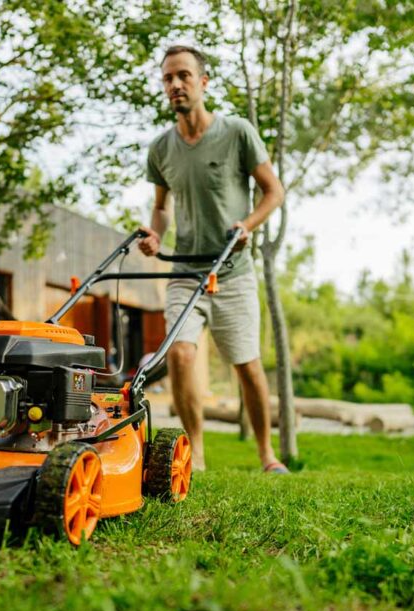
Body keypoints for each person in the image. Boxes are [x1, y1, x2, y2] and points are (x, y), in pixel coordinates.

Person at [139, 45, 288, 473]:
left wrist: (248, 225)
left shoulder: (237, 131)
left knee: (247, 365)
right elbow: (162, 208)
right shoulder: (161, 148)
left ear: (203, 82)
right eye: (168, 78)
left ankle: (266, 454)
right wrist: (154, 234)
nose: (175, 85)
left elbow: (273, 191)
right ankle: (196, 455)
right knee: (181, 355)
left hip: (232, 272)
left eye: (184, 76)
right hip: (186, 270)